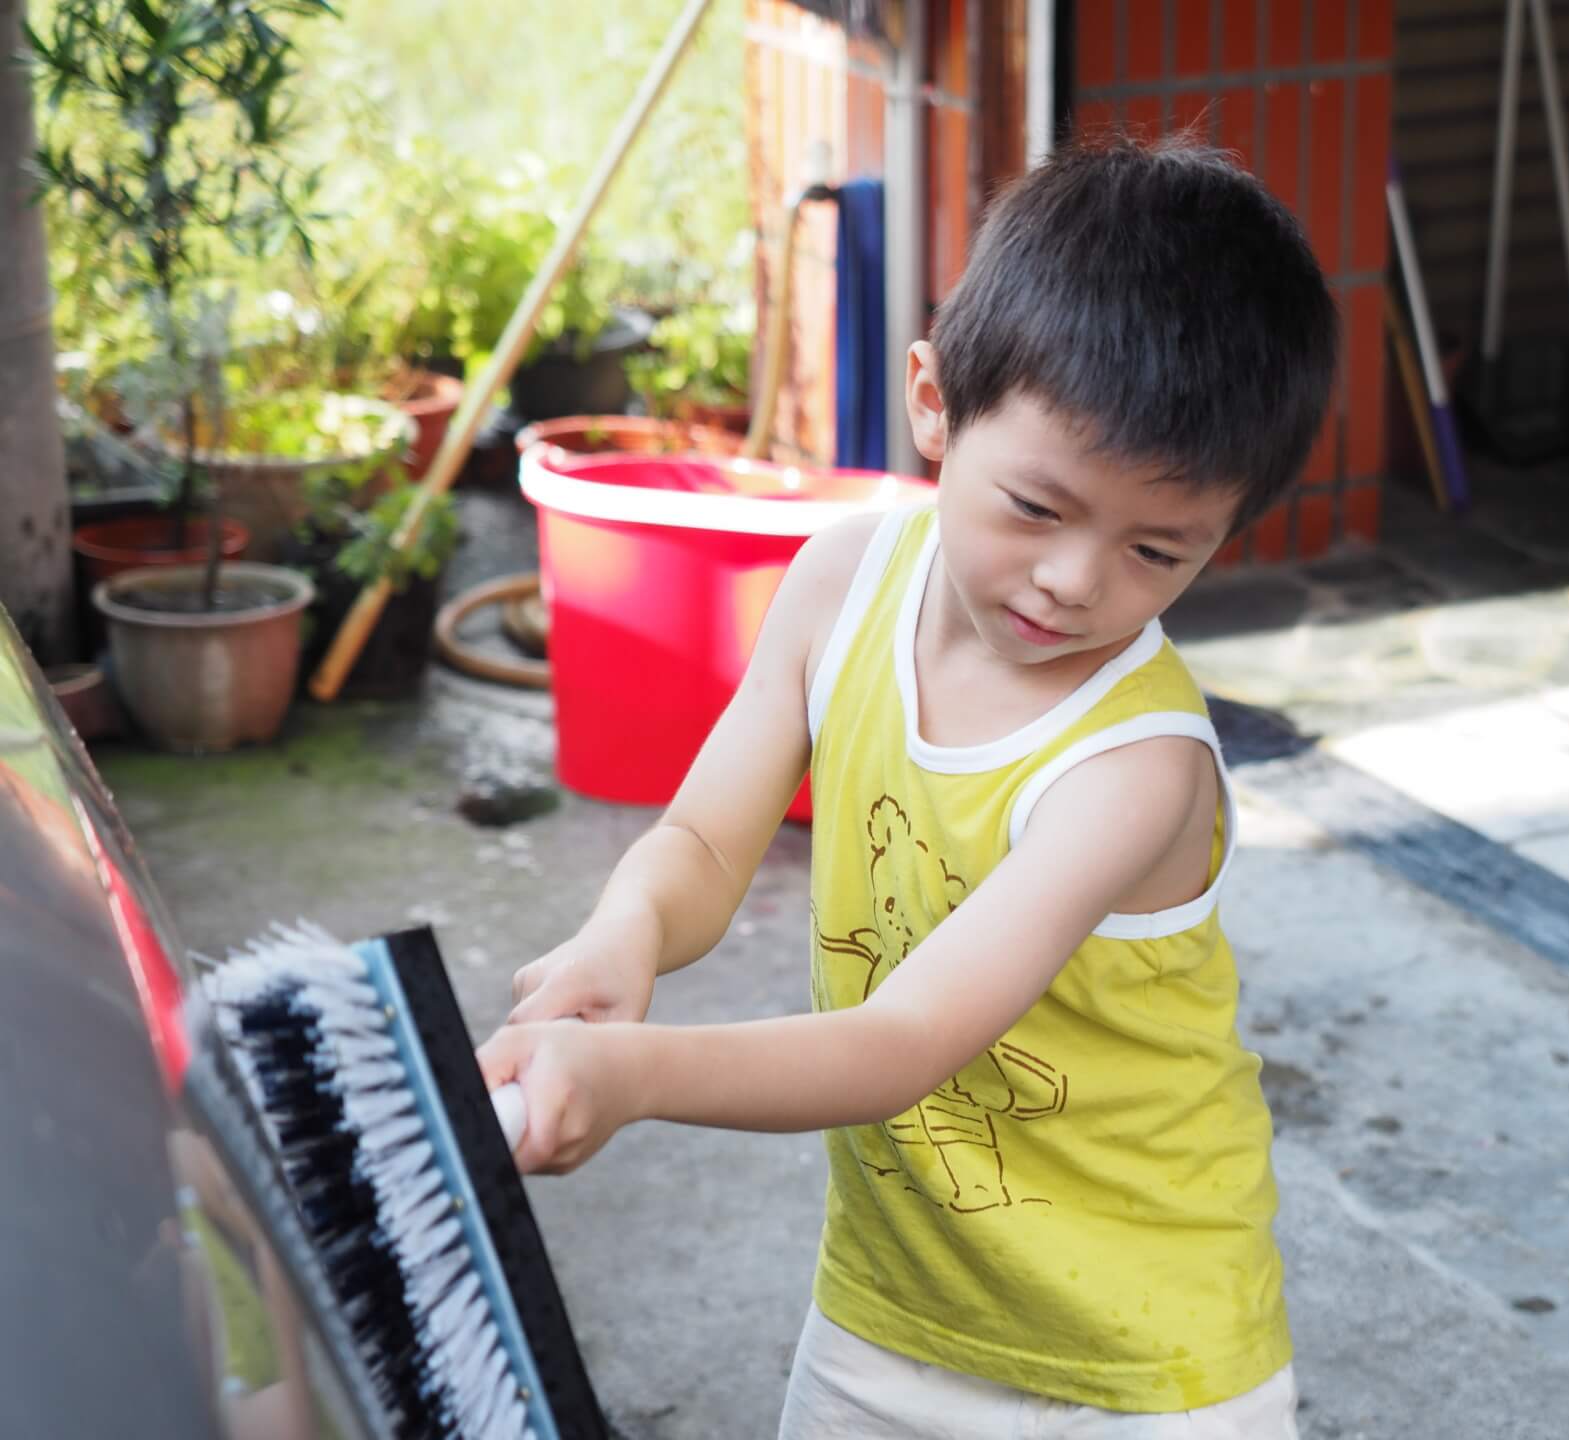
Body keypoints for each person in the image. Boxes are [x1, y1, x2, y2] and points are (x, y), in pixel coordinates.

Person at [477, 134, 1338, 1437]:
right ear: (936, 405)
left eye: (1155, 550)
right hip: (893, 1311)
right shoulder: (837, 585)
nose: (1072, 580)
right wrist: (627, 931)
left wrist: (637, 1075)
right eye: (1037, 509)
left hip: (1144, 1370)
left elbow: (905, 1044)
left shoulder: (1134, 768)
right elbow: (707, 840)